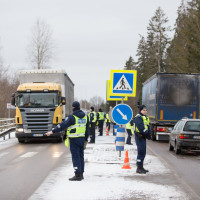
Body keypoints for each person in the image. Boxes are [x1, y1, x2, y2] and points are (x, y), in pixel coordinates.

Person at [45, 101, 89, 181]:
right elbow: (87, 130)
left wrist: (53, 131)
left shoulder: (72, 117)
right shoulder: (85, 117)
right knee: (81, 156)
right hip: (81, 139)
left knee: (75, 157)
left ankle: (77, 174)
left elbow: (62, 125)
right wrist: (86, 140)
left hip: (74, 140)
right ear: (79, 107)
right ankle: (81, 173)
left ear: (73, 108)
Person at [134, 105, 151, 174]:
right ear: (140, 110)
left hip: (143, 136)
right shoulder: (138, 117)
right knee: (140, 152)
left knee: (143, 152)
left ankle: (141, 166)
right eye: (144, 110)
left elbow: (148, 126)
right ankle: (138, 167)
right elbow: (140, 127)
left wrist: (149, 133)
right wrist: (146, 134)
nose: (145, 111)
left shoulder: (146, 117)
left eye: (146, 110)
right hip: (139, 136)